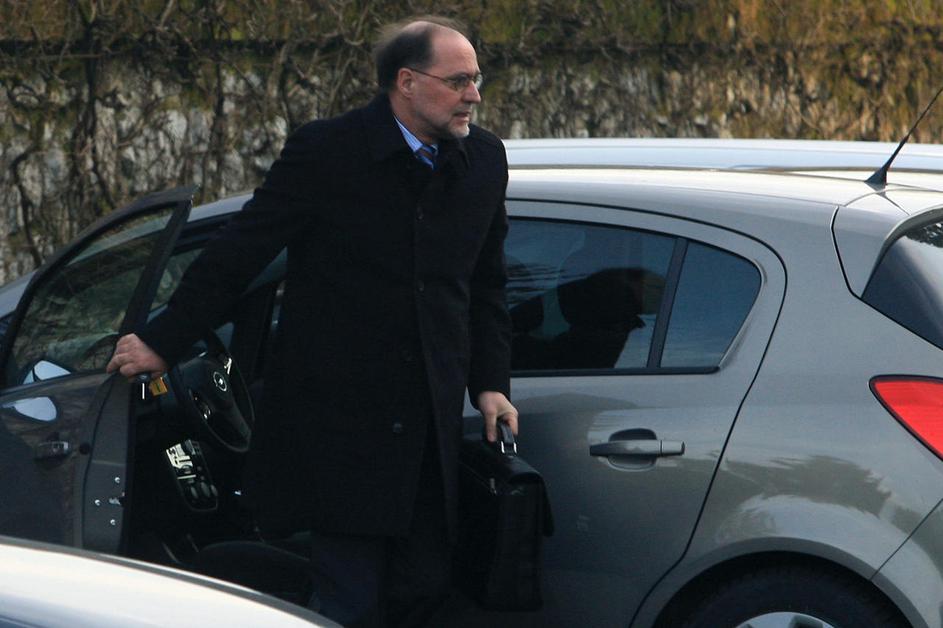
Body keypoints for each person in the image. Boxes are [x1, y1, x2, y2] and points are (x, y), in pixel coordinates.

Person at [106, 15, 518, 628]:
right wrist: (163, 341)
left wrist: (489, 384)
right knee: (350, 599)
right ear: (406, 82)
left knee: (425, 589)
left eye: (477, 79)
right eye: (458, 81)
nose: (474, 96)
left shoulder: (483, 160)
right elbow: (241, 251)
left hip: (428, 426)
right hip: (339, 427)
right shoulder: (328, 152)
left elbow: (485, 285)